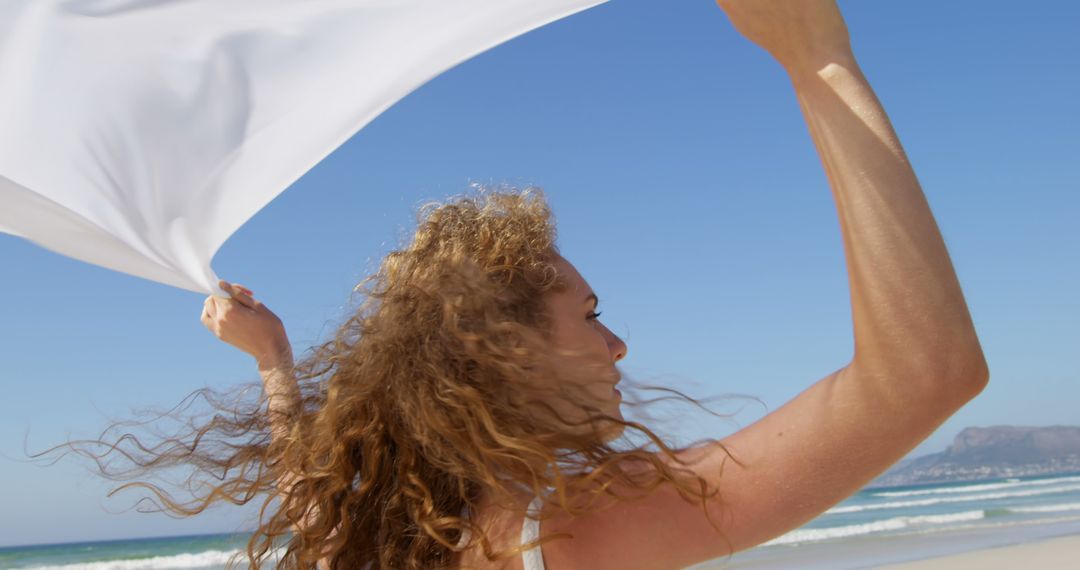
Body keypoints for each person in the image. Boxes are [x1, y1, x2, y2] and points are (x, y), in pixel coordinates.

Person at [199, 1, 989, 568]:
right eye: (590, 314)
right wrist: (816, 52)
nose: (617, 343)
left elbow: (310, 506)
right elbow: (925, 375)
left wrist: (275, 366)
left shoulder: (397, 541)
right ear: (506, 352)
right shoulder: (573, 536)